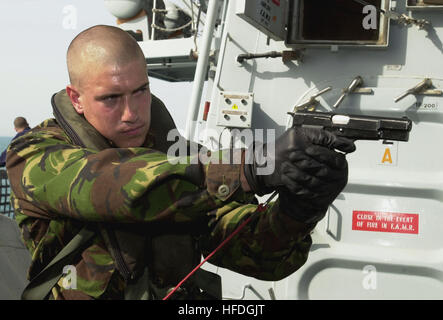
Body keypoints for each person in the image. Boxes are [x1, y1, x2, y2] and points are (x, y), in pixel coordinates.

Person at [6, 25, 356, 300]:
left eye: (140, 91)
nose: (131, 114)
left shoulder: (183, 157)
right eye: (111, 98)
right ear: (76, 99)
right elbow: (111, 185)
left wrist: (302, 204)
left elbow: (256, 253)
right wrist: (251, 167)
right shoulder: (35, 153)